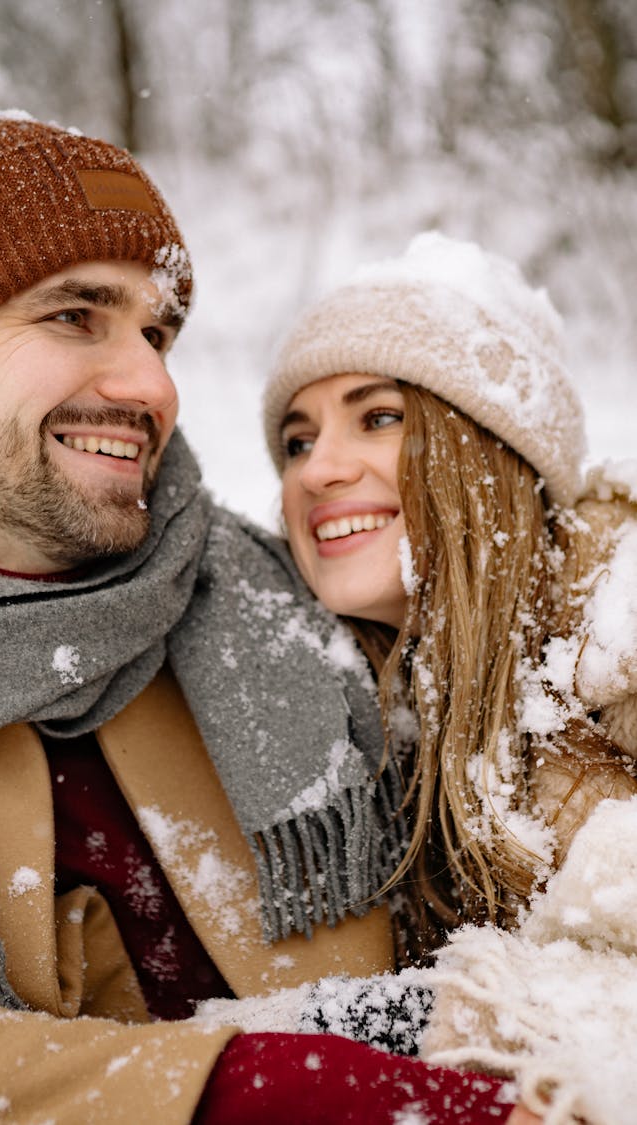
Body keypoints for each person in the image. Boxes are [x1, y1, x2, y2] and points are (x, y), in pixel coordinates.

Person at [0, 108, 523, 1123]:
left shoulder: (289, 604)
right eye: (73, 315)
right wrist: (247, 1090)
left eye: (157, 331)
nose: (150, 383)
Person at [214, 231, 635, 1121]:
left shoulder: (619, 619)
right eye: (295, 441)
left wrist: (400, 1022)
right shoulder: (357, 710)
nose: (317, 470)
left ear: (488, 448)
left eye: (378, 416)